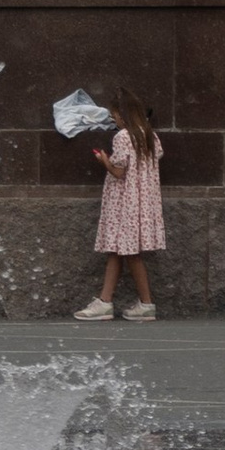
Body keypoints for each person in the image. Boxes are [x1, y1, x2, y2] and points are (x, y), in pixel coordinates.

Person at [75, 91, 166, 323]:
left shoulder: (123, 137)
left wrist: (104, 159)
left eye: (115, 115)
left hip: (124, 203)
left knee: (130, 254)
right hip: (142, 203)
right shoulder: (150, 136)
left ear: (123, 116)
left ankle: (146, 304)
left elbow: (118, 171)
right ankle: (105, 301)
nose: (114, 119)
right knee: (116, 251)